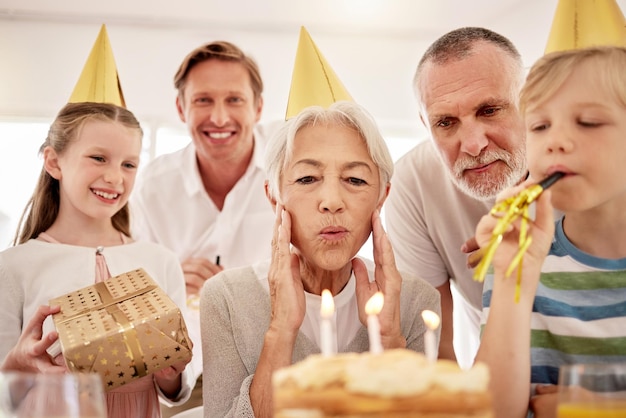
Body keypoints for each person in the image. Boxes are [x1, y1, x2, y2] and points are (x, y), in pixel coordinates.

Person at [200, 100, 441, 418]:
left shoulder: (416, 300)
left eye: (355, 180)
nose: (331, 202)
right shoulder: (226, 298)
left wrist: (388, 340)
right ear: (274, 195)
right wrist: (280, 330)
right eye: (307, 179)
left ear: (382, 196)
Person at [0, 102, 194, 418]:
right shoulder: (13, 266)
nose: (115, 177)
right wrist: (16, 364)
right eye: (98, 158)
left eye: (129, 164)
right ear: (53, 161)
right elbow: (7, 398)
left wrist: (170, 374)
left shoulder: (161, 262)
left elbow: (173, 390)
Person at [476, 46, 626, 418]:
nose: (554, 140)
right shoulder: (519, 257)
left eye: (588, 121)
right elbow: (489, 413)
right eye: (540, 126)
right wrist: (515, 281)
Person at [130, 41, 277, 414]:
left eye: (234, 100)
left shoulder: (290, 172)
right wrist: (168, 280)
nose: (220, 118)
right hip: (185, 371)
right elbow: (134, 295)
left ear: (258, 107)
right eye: (203, 101)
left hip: (278, 361)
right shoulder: (153, 187)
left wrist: (240, 290)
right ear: (181, 108)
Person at [384, 27, 528, 367]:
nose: (474, 144)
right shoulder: (412, 182)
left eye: (490, 110)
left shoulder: (586, 164)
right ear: (425, 124)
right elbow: (436, 356)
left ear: (530, 99)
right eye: (446, 123)